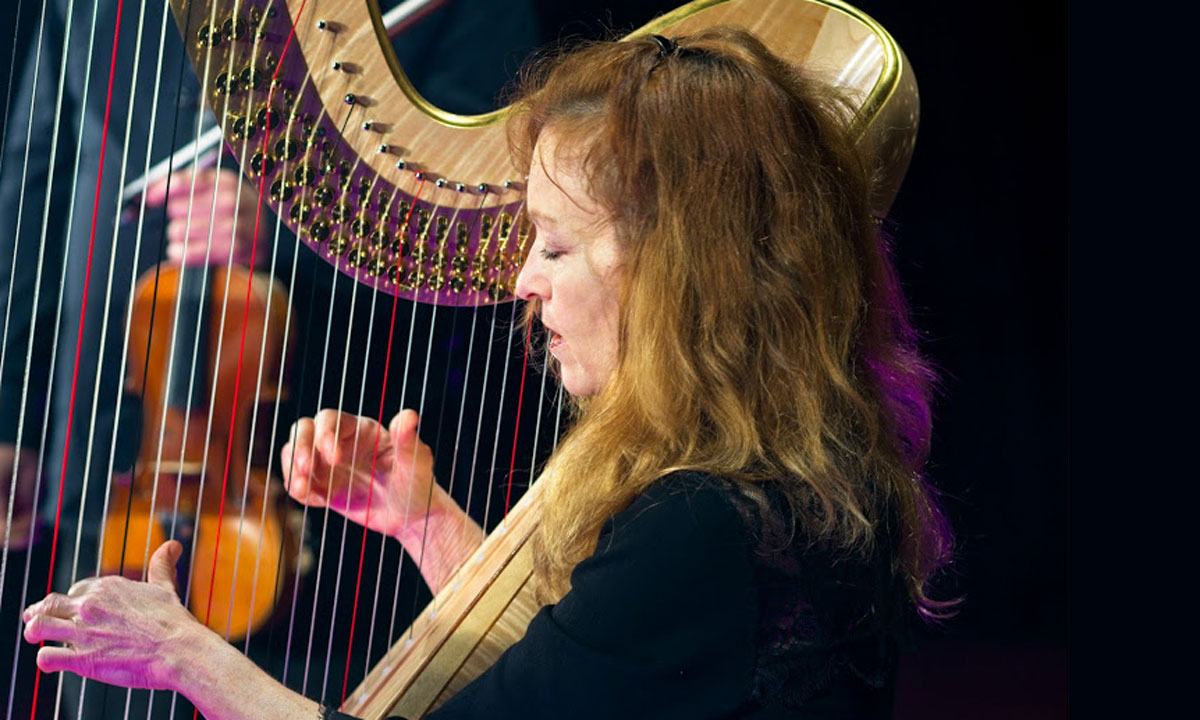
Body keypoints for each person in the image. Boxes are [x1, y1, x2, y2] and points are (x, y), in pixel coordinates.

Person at [22, 26, 953, 718]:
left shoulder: (702, 524)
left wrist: (186, 656)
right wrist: (424, 522)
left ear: (674, 270)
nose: (521, 282)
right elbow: (572, 675)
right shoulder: (781, 481)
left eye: (554, 245)